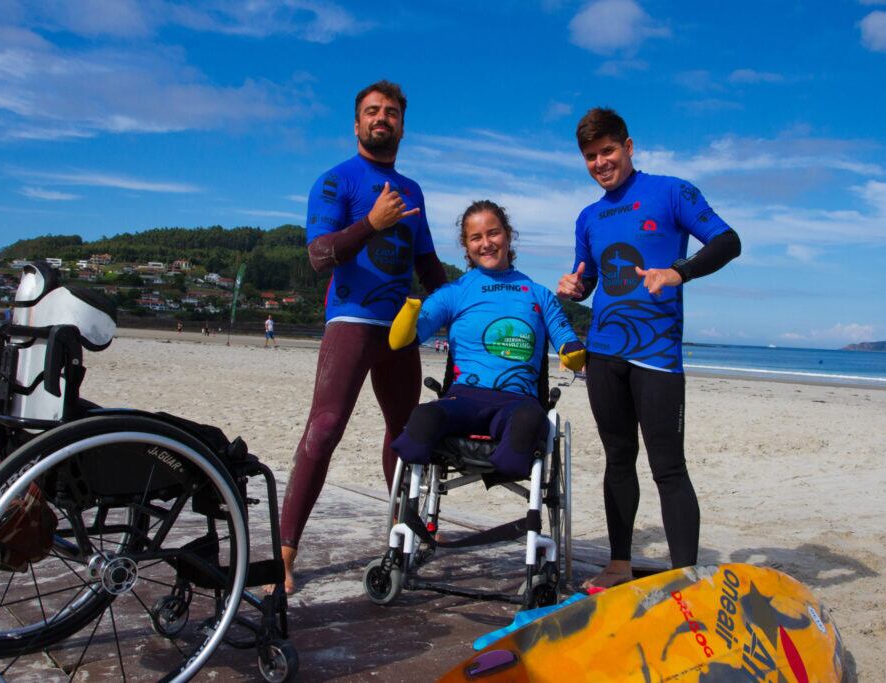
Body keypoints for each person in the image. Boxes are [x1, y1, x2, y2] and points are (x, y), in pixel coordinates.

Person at [557, 108, 741, 588]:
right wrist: (576, 288)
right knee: (617, 459)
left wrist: (679, 271)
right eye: (591, 156)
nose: (601, 163)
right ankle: (619, 563)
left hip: (657, 353)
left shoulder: (671, 191)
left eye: (608, 151)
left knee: (668, 466)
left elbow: (728, 241)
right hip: (604, 355)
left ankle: (684, 576)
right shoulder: (588, 217)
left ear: (629, 146)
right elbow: (591, 277)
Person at [277, 80, 447, 593]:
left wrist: (471, 306)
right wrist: (371, 222)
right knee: (325, 429)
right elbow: (318, 255)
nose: (382, 118)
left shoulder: (412, 191)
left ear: (401, 125)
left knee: (403, 434)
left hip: (399, 332)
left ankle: (399, 537)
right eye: (372, 111)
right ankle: (284, 554)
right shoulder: (335, 182)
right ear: (356, 124)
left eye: (391, 112)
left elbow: (428, 266)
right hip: (350, 321)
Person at [389, 200, 585, 477]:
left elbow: (566, 339)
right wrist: (410, 308)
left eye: (493, 233)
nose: (486, 243)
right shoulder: (454, 292)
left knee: (530, 420)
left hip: (519, 402)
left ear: (507, 234)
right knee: (424, 416)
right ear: (466, 245)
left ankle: (506, 477)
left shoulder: (539, 293)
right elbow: (404, 340)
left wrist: (573, 351)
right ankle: (410, 516)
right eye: (476, 237)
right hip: (463, 398)